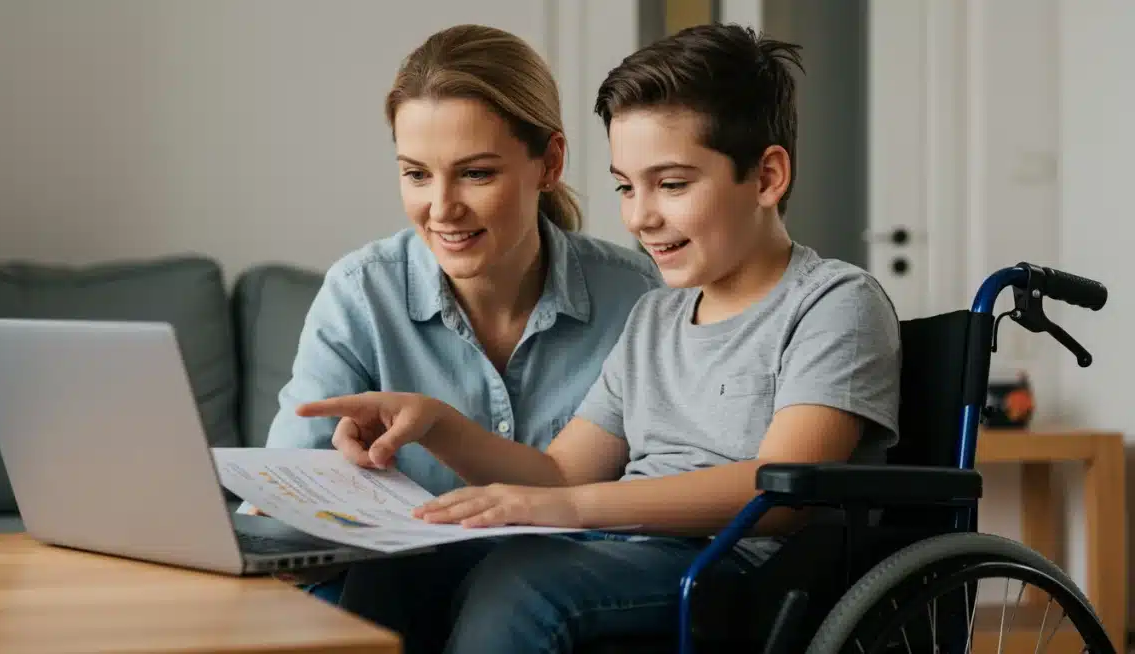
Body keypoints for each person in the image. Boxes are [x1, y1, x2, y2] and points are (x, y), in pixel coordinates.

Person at [298, 23, 902, 653]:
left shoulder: (834, 302)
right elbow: (559, 472)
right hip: (627, 552)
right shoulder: (655, 317)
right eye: (625, 185)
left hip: (745, 570)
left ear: (768, 176)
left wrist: (574, 510)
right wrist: (434, 423)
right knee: (398, 572)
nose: (640, 215)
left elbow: (782, 491)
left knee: (522, 584)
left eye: (671, 184)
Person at [249, 24, 663, 599]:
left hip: (565, 608)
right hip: (391, 596)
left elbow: (664, 499)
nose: (441, 209)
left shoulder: (641, 297)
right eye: (416, 174)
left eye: (476, 173)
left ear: (549, 163)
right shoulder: (361, 293)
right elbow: (280, 504)